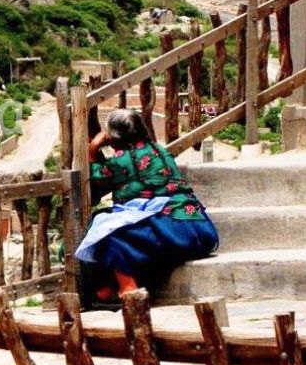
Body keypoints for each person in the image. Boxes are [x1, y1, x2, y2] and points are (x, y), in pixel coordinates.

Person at [75, 108, 218, 299]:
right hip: (199, 230)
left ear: (114, 136)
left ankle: (126, 288)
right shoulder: (159, 150)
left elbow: (97, 176)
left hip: (172, 233)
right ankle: (112, 287)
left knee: (105, 233)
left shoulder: (122, 160)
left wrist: (92, 149)